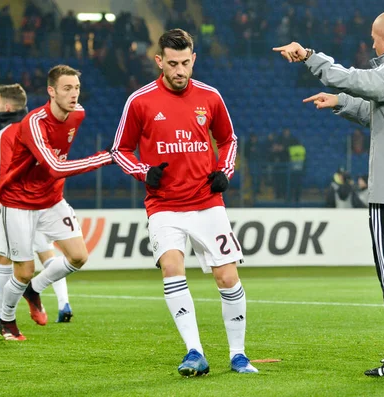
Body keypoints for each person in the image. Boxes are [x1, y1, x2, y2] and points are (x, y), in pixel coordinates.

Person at [274, 11, 384, 377]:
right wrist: (339, 103)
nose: (370, 44)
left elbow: (353, 79)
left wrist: (309, 56)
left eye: (372, 38)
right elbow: (380, 110)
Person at [110, 28, 257, 377]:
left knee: (226, 277)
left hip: (207, 202)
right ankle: (195, 351)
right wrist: (144, 173)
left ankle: (238, 355)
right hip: (164, 206)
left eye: (185, 63)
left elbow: (229, 139)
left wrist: (225, 171)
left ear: (194, 60)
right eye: (172, 63)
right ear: (159, 61)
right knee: (172, 268)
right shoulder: (140, 100)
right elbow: (119, 150)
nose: (179, 71)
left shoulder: (210, 96)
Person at [0, 65, 113, 341]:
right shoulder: (34, 122)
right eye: (67, 89)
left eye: (77, 88)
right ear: (51, 91)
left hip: (51, 199)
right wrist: (105, 157)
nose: (74, 95)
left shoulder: (78, 114)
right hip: (19, 201)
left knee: (79, 256)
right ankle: (6, 320)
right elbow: (54, 167)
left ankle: (34, 289)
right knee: (23, 270)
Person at [0, 84, 73, 325]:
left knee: (4, 256)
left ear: (6, 106)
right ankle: (63, 303)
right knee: (48, 254)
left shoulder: (4, 134)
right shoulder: (38, 127)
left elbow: (3, 173)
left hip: (16, 204)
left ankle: (1, 311)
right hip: (44, 200)